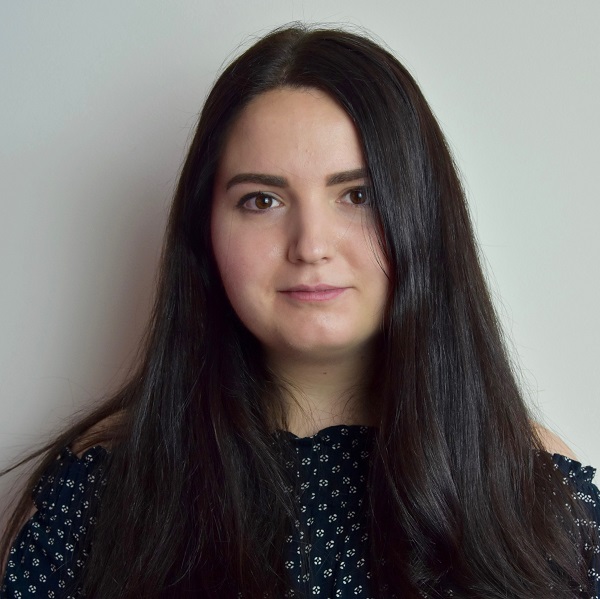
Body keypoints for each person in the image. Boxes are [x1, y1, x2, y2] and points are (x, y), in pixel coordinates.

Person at [1, 23, 598, 599]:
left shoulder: (537, 493)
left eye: (358, 195)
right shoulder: (98, 491)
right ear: (205, 229)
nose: (311, 246)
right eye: (262, 200)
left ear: (423, 216)